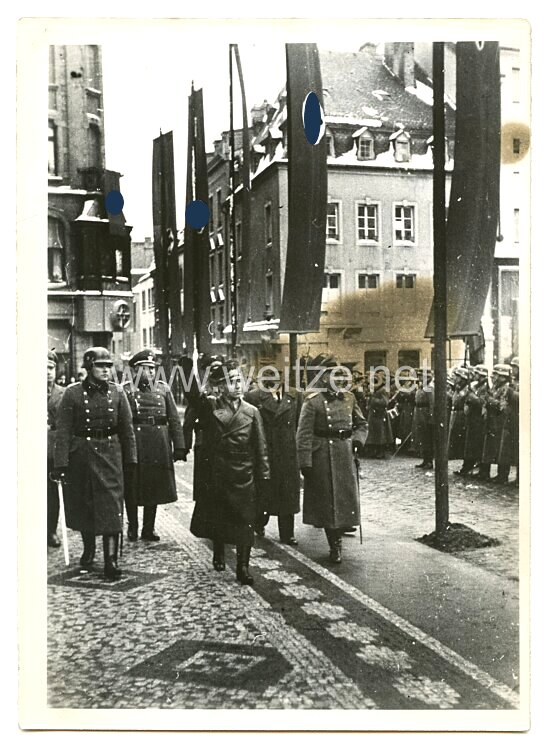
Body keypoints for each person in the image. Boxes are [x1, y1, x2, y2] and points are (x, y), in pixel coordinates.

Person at [53, 347, 137, 580]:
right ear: (89, 368)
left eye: (108, 366)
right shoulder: (72, 394)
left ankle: (110, 559)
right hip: (82, 456)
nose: (106, 370)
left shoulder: (118, 393)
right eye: (101, 366)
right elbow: (63, 431)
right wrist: (60, 464)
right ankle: (89, 550)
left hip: (111, 455)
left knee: (112, 506)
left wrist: (131, 460)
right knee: (85, 505)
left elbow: (127, 431)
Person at [186, 359, 270, 585]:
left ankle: (243, 567)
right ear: (221, 386)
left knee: (245, 523)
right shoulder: (212, 407)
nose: (237, 386)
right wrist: (188, 370)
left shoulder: (252, 412)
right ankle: (219, 551)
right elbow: (194, 399)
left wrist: (264, 476)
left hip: (244, 474)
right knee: (220, 518)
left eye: (239, 381)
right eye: (231, 382)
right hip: (219, 473)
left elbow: (260, 447)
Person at [296, 354, 368, 564]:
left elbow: (362, 424)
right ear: (324, 378)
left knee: (344, 500)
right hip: (322, 457)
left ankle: (340, 533)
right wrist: (305, 462)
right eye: (332, 375)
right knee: (328, 503)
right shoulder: (313, 401)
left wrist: (358, 441)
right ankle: (334, 545)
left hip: (344, 454)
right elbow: (304, 434)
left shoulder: (349, 398)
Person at [124, 349, 187, 542]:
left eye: (153, 369)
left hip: (159, 444)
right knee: (133, 488)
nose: (151, 373)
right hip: (137, 444)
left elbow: (174, 420)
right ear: (135, 370)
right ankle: (133, 528)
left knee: (154, 487)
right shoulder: (125, 390)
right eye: (146, 369)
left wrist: (179, 446)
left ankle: (148, 529)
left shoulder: (163, 389)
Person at [244, 370, 302, 545]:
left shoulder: (295, 396)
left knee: (288, 496)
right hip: (264, 452)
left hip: (287, 453)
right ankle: (258, 524)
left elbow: (300, 422)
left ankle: (287, 533)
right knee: (264, 493)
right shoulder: (253, 397)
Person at [480, 364, 512, 483]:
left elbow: (501, 406)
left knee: (501, 450)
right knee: (489, 448)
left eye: (497, 375)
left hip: (499, 421)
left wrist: (489, 400)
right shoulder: (494, 387)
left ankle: (502, 475)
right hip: (491, 421)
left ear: (503, 376)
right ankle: (486, 472)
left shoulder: (506, 388)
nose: (494, 377)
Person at [47, 350, 65, 548]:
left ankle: (51, 530)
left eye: (51, 368)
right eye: (43, 368)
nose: (47, 373)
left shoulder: (63, 394)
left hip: (52, 453)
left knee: (52, 494)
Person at [459, 365, 489, 476]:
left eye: (476, 374)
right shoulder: (476, 386)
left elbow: (481, 402)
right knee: (469, 444)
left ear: (480, 375)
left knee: (475, 444)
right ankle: (467, 466)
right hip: (472, 418)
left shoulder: (485, 387)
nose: (474, 375)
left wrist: (471, 395)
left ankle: (475, 467)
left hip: (478, 418)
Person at [497, 357, 519, 485]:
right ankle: (502, 475)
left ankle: (519, 478)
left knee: (518, 450)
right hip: (509, 418)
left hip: (517, 418)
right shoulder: (512, 383)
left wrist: (511, 393)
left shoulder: (523, 382)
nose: (514, 370)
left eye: (516, 367)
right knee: (505, 449)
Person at [365, 370, 393, 459]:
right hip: (374, 414)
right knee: (374, 434)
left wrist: (373, 400)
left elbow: (385, 402)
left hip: (380, 414)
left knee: (381, 434)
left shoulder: (383, 390)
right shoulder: (376, 390)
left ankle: (381, 452)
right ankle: (376, 451)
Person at [448, 367, 471, 467]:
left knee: (463, 440)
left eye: (458, 376)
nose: (455, 378)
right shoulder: (457, 388)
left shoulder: (466, 389)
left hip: (462, 415)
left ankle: (467, 465)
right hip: (455, 415)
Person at [412, 369, 434, 469]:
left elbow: (432, 403)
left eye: (421, 376)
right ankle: (425, 459)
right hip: (419, 413)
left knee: (427, 438)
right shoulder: (421, 387)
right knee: (421, 437)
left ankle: (429, 460)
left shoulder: (429, 388)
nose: (419, 378)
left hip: (425, 413)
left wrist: (431, 417)